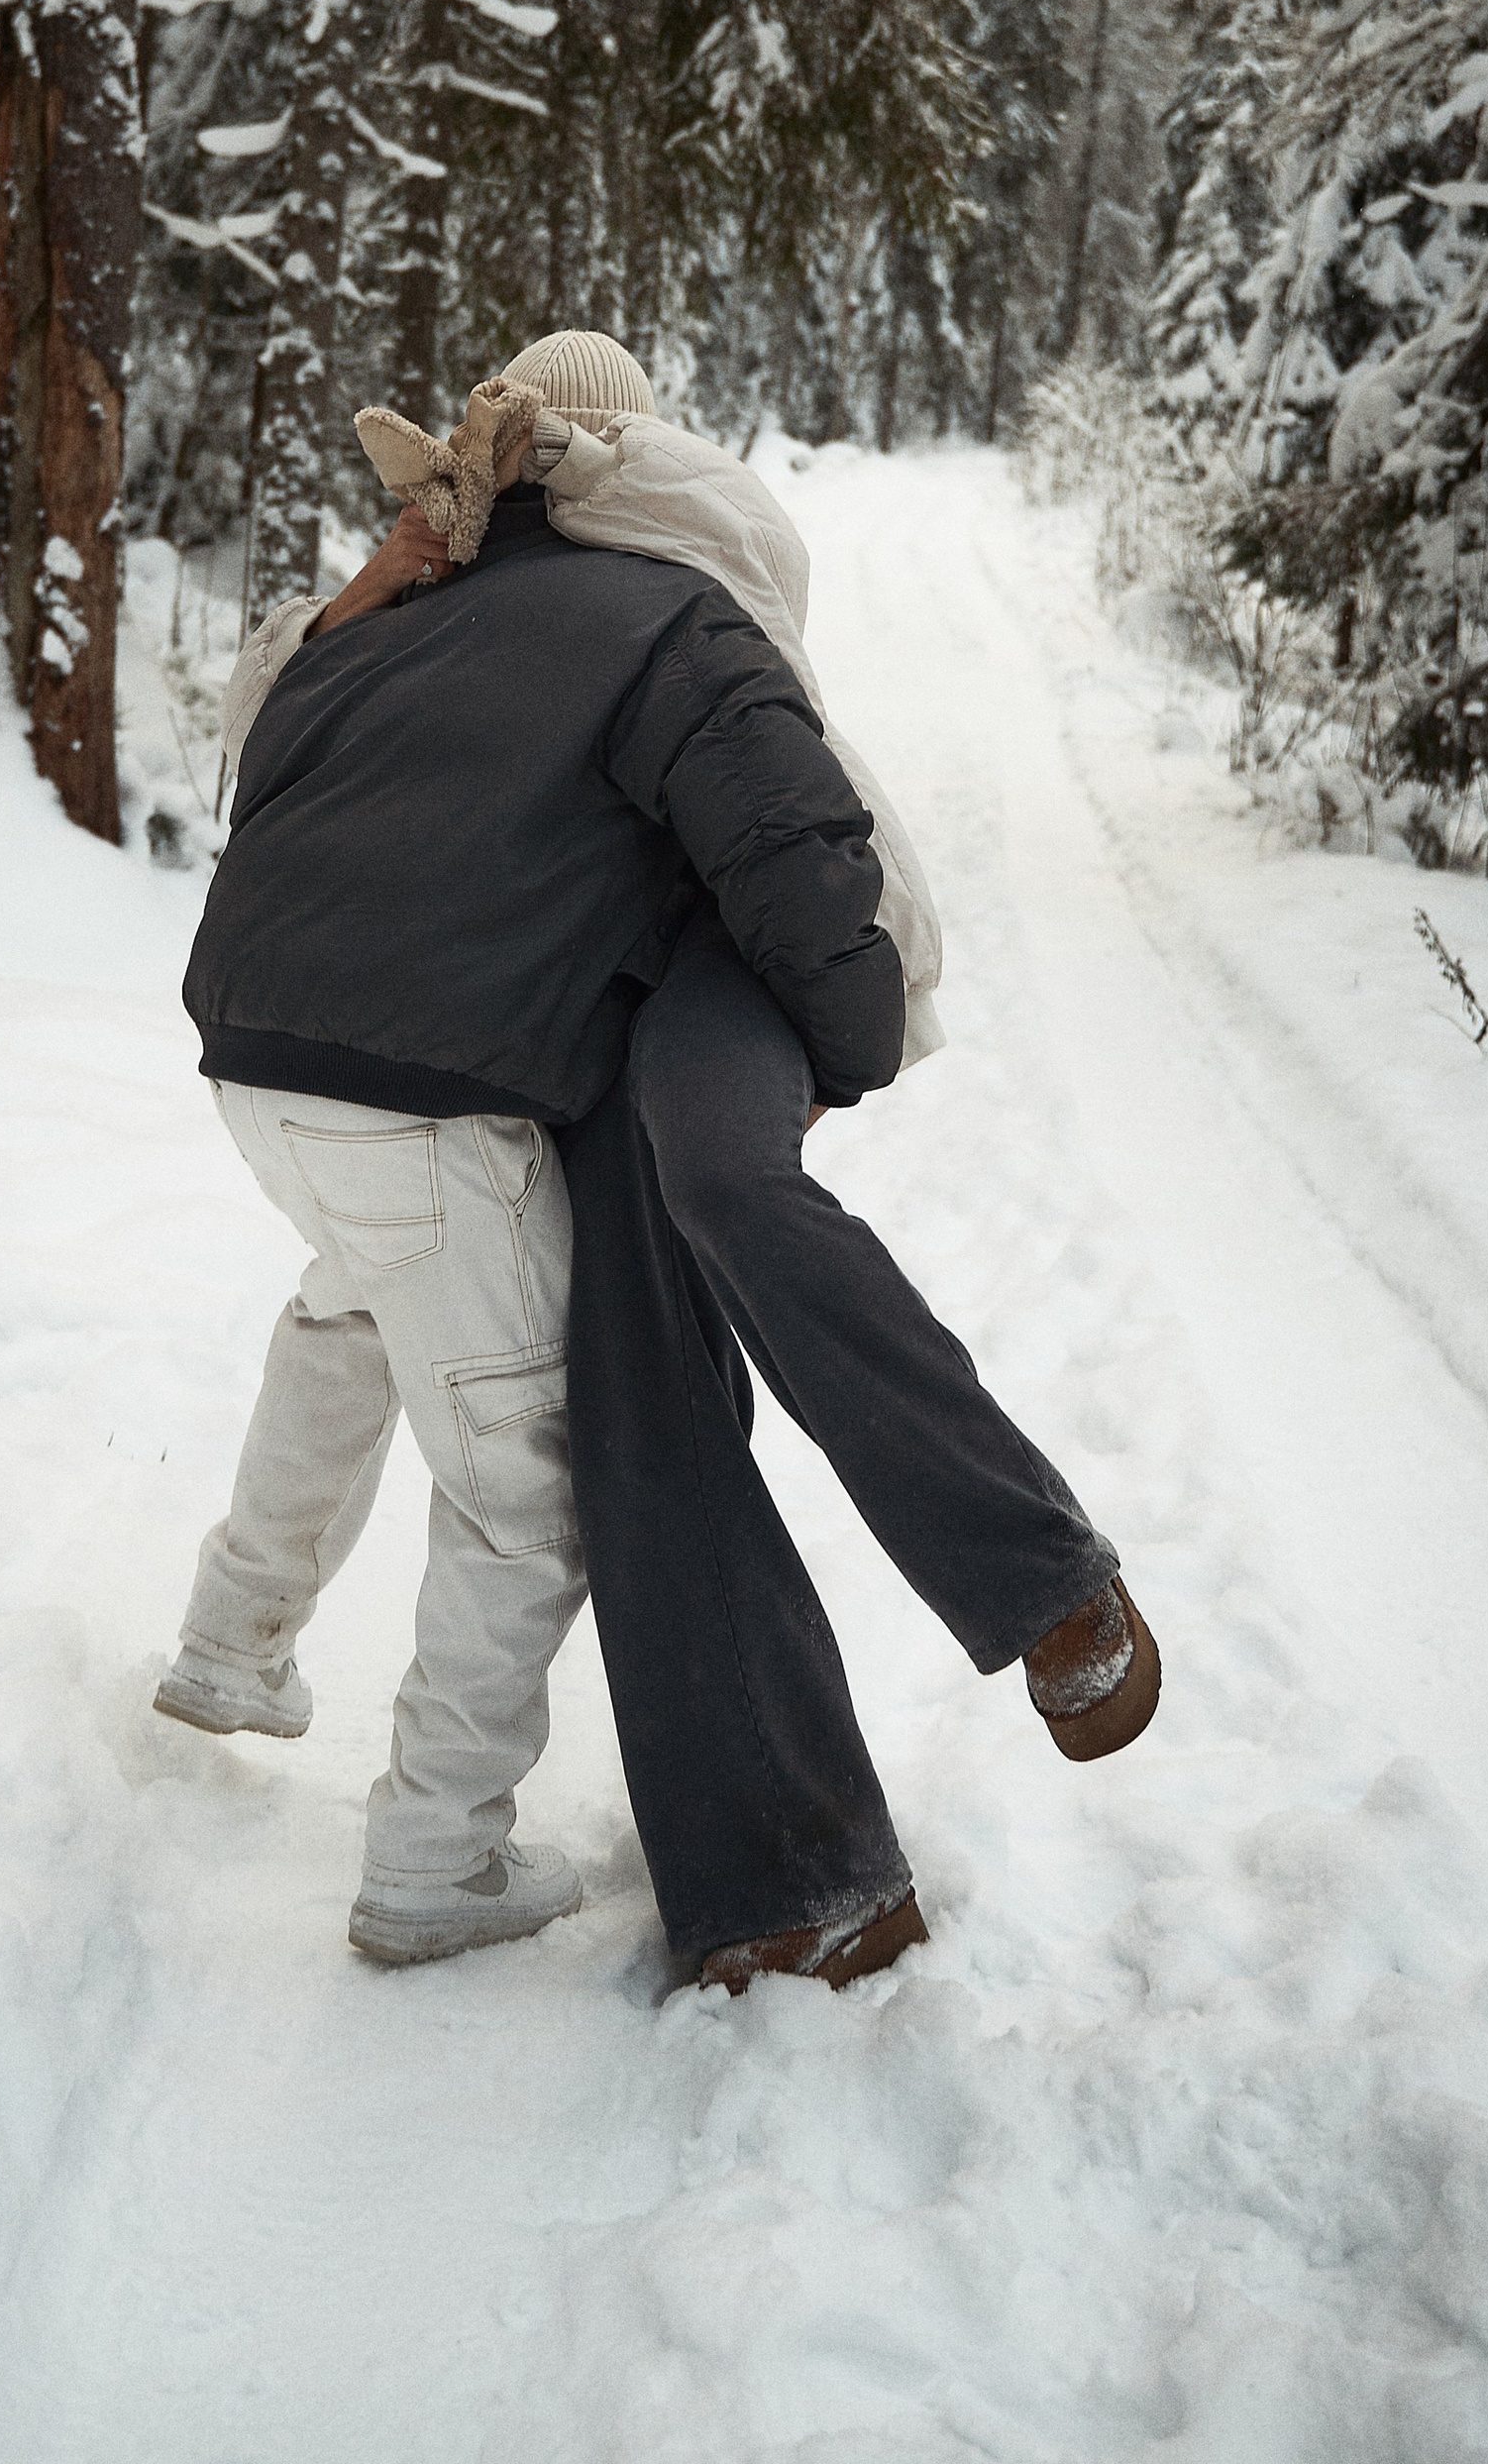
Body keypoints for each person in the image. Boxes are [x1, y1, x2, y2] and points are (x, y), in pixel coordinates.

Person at [159, 331, 1156, 1989]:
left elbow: (278, 769)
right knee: (533, 1467)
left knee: (369, 1311)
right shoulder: (671, 611)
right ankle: (437, 1858)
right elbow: (800, 848)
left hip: (277, 1058)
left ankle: (239, 1647)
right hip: (464, 1073)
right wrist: (841, 1053)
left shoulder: (422, 611)